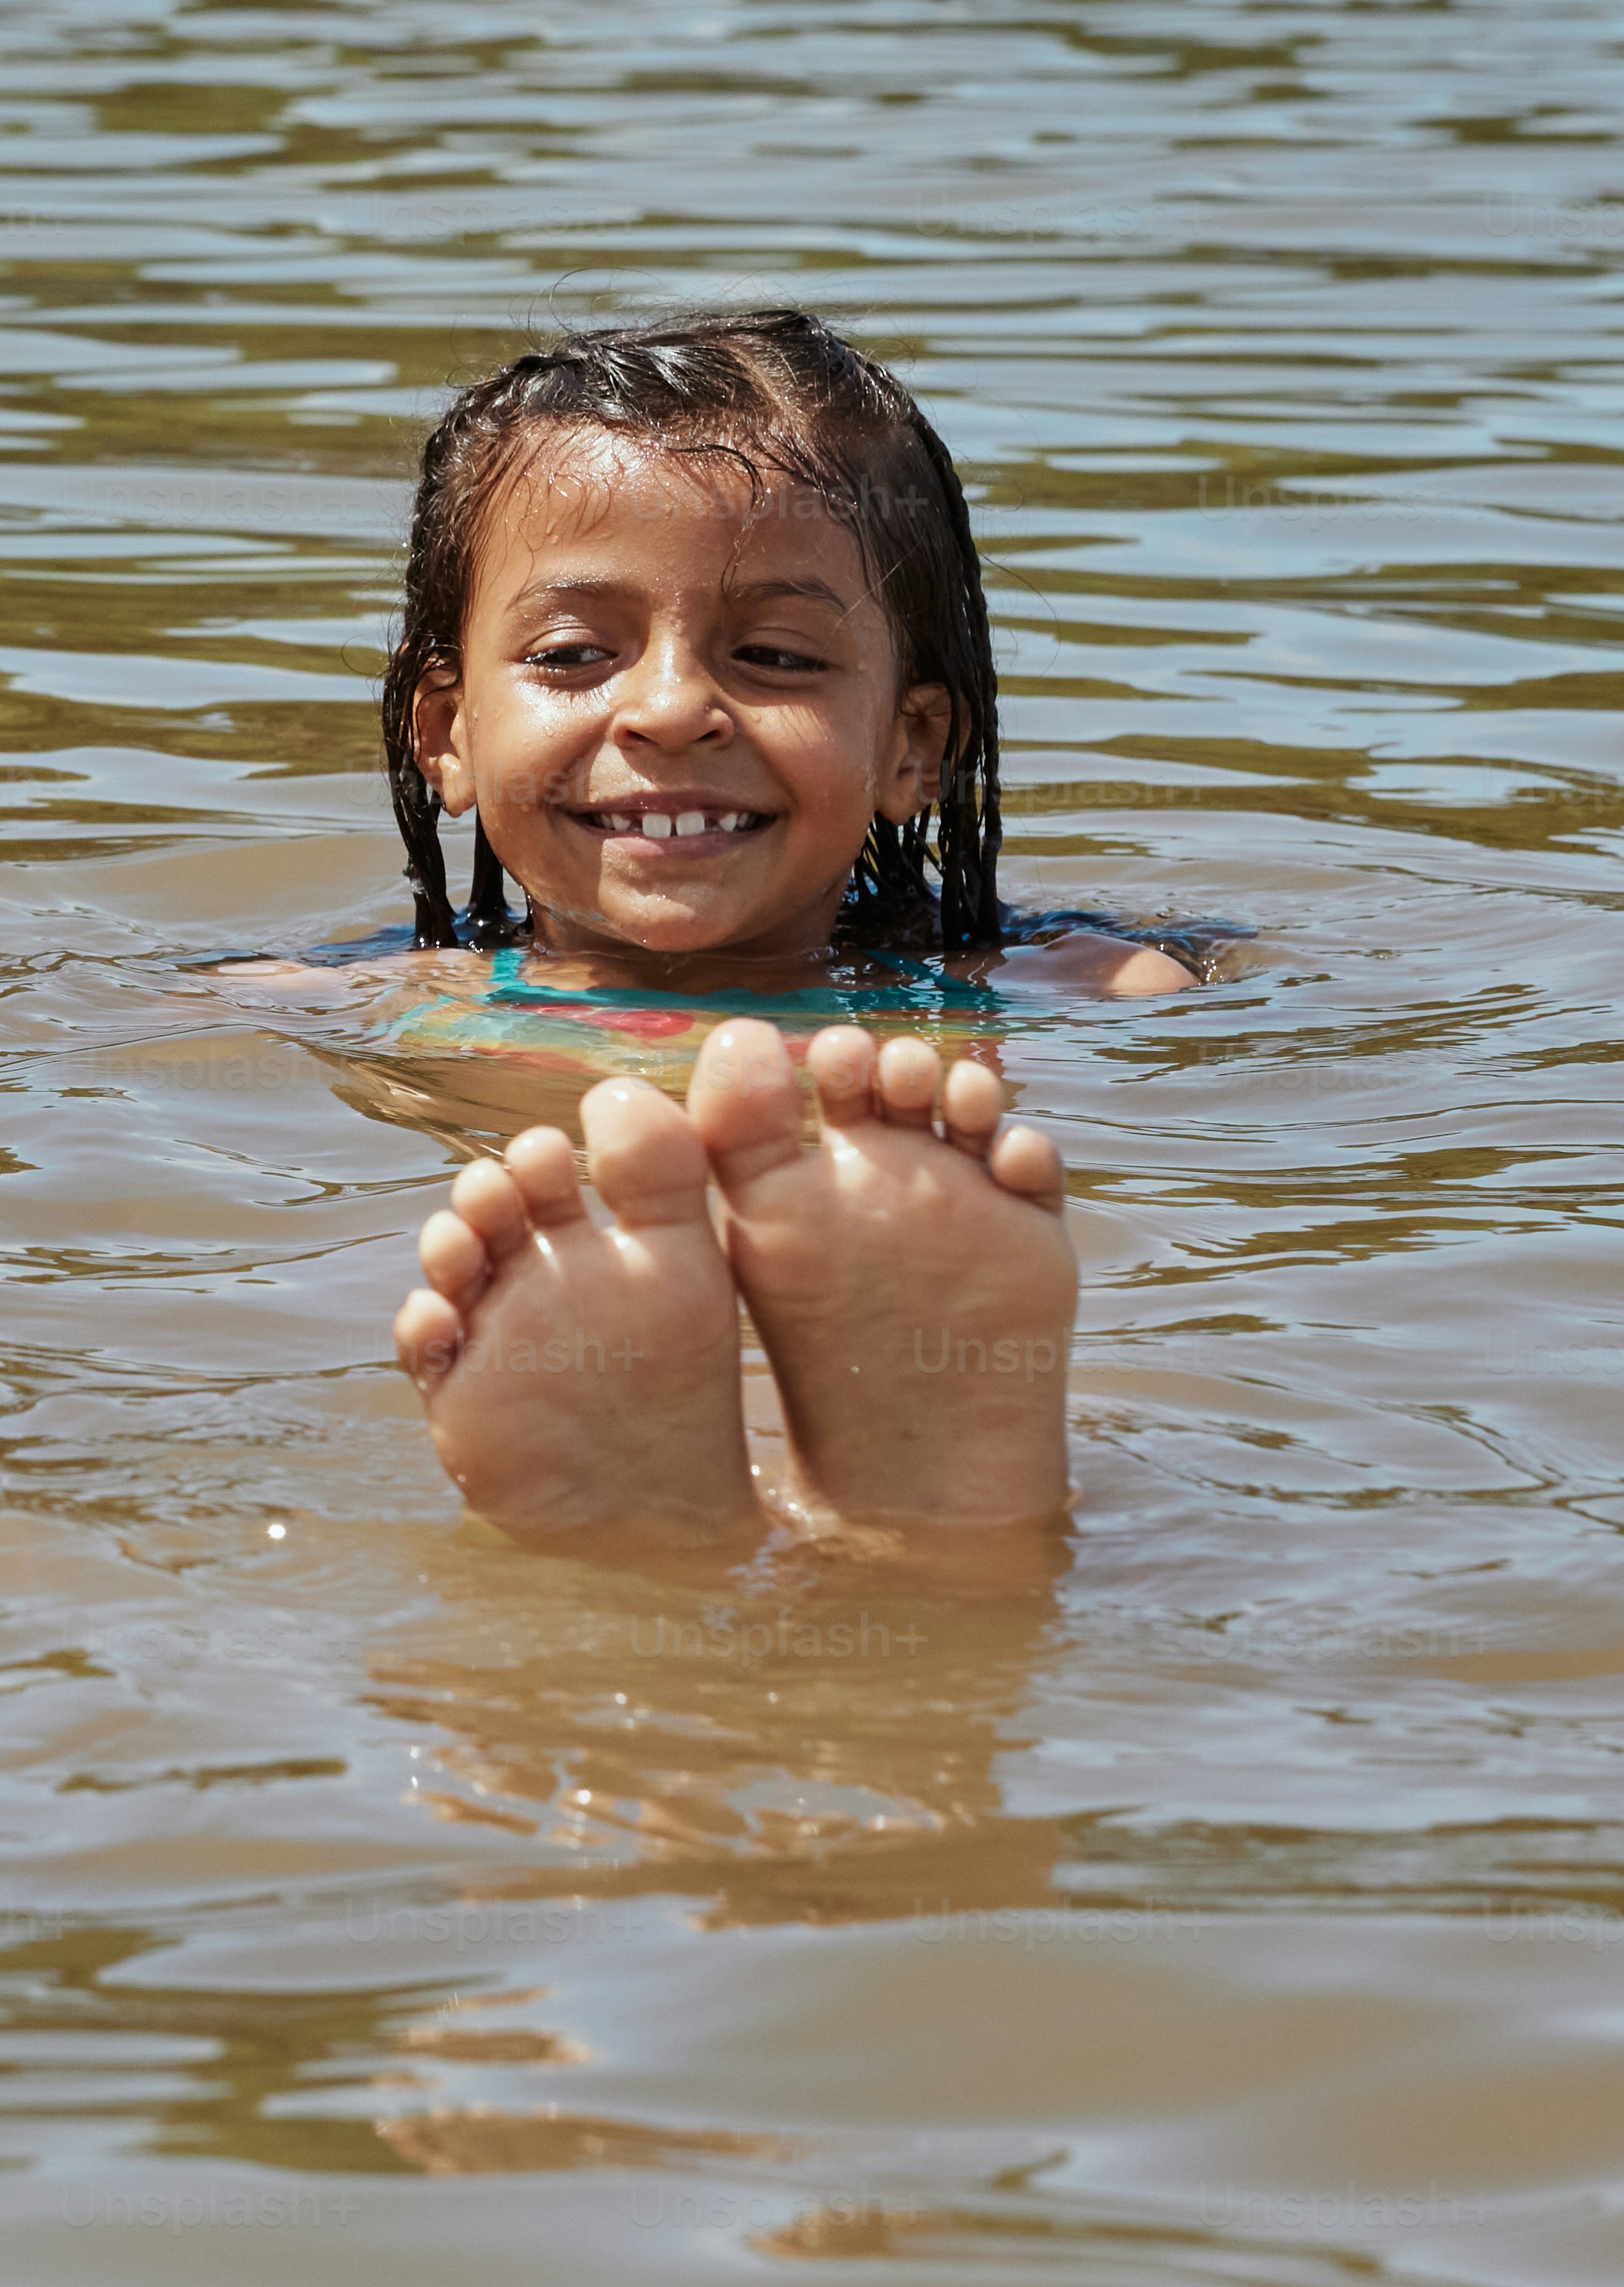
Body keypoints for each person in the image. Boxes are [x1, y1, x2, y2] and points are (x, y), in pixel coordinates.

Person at [333, 310, 1192, 1581]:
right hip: (695, 1288)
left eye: (776, 656)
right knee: (963, 1611)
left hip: (783, 1263)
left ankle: (776, 1512)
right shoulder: (991, 1013)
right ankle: (922, 1529)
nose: (673, 708)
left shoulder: (1053, 976)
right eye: (574, 653)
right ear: (446, 733)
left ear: (912, 746)